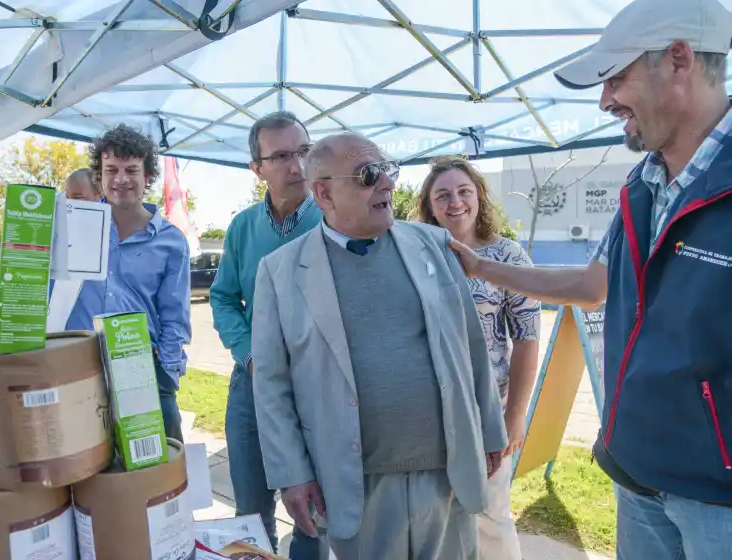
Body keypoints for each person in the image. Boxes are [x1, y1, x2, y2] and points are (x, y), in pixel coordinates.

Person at [448, 0, 732, 557]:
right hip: (637, 476)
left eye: (616, 78)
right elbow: (591, 285)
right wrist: (480, 267)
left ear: (678, 59)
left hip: (716, 499)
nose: (604, 101)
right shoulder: (641, 186)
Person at [251, 132, 507, 559]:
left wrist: (491, 429)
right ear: (324, 193)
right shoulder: (279, 272)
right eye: (369, 175)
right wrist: (291, 473)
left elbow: (471, 345)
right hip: (353, 484)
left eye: (387, 170)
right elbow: (271, 384)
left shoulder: (435, 245)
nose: (387, 184)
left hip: (446, 475)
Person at [413, 156, 540, 560]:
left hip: (489, 410)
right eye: (443, 195)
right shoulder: (416, 257)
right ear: (429, 206)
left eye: (464, 191)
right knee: (434, 514)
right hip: (428, 411)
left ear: (479, 196)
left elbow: (527, 338)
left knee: (490, 513)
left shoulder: (508, 255)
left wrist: (515, 415)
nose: (455, 203)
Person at [210, 111, 323, 558]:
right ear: (257, 169)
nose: (296, 165)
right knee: (251, 511)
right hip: (252, 385)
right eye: (280, 157)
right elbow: (223, 299)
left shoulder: (334, 219)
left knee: (313, 512)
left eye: (303, 152)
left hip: (316, 390)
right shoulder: (242, 227)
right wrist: (249, 354)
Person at [61, 124, 191, 442]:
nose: (121, 179)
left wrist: (166, 377)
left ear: (147, 176)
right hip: (80, 370)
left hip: (143, 370)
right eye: (112, 170)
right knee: (88, 471)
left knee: (156, 474)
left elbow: (175, 315)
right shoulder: (71, 229)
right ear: (100, 176)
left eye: (131, 169)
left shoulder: (171, 242)